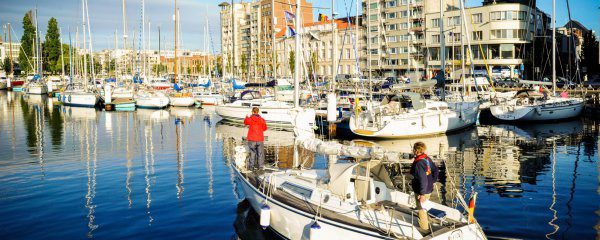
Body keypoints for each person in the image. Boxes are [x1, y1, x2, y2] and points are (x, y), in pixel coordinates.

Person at [410, 142, 439, 231]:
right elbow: (435, 170)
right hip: (429, 188)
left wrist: (422, 194)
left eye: (413, 149)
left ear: (416, 150)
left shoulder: (418, 163)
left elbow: (423, 180)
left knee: (421, 210)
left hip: (422, 190)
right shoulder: (426, 158)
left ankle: (424, 230)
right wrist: (433, 181)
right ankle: (428, 221)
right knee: (425, 207)